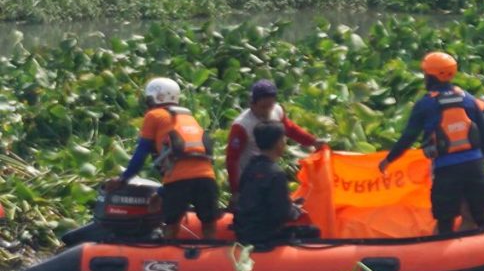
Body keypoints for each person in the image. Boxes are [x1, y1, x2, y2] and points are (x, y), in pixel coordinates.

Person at [378, 52, 484, 234]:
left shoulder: (426, 104)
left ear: (431, 76)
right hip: (474, 165)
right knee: (481, 216)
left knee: (445, 220)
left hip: (446, 169)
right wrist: (482, 159)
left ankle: (447, 256)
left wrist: (389, 160)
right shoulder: (468, 99)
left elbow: (408, 137)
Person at [107, 77, 219, 238]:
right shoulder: (189, 117)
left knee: (171, 224)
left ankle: (168, 259)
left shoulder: (154, 116)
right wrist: (161, 191)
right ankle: (212, 255)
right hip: (207, 178)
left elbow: (142, 152)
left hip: (178, 181)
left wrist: (123, 179)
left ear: (155, 98)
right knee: (209, 224)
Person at [226, 79, 324, 197]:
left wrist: (313, 141)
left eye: (270, 106)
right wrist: (236, 191)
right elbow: (232, 160)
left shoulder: (277, 111)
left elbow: (290, 129)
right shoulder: (242, 126)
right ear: (252, 104)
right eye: (263, 107)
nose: (267, 110)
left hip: (269, 168)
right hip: (249, 176)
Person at [234, 121, 315, 246]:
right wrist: (295, 211)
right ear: (279, 143)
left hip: (244, 232)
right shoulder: (276, 174)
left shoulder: (249, 168)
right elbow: (281, 213)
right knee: (313, 232)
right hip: (264, 235)